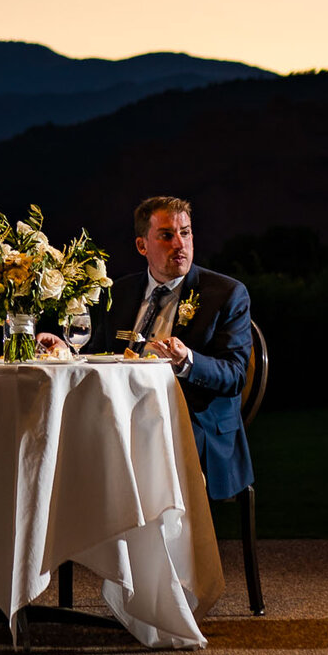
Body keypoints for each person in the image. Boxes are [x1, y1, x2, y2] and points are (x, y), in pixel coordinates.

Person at [110, 195, 254, 502]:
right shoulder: (120, 293)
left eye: (185, 232)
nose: (180, 244)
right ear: (142, 246)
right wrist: (64, 347)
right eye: (166, 235)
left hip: (194, 427)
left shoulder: (226, 294)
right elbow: (99, 351)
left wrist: (186, 360)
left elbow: (235, 375)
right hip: (122, 419)